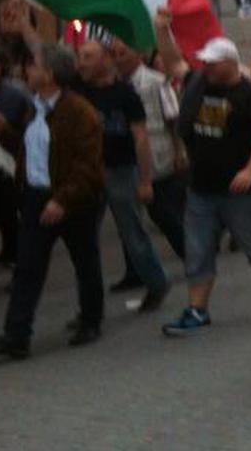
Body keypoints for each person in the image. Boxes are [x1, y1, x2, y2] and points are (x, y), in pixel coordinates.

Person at [156, 18, 251, 337]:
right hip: (202, 188)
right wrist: (162, 30)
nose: (204, 66)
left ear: (230, 64)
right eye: (204, 61)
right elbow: (173, 61)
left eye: (212, 62)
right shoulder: (197, 83)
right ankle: (197, 309)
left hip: (243, 192)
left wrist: (249, 170)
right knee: (198, 248)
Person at [0, 44, 106, 359]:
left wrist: (62, 201)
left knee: (85, 261)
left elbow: (88, 166)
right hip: (36, 196)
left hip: (72, 199)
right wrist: (3, 131)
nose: (27, 71)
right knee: (27, 267)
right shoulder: (34, 107)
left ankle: (91, 319)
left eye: (34, 66)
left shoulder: (79, 112)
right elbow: (29, 151)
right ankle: (16, 335)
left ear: (50, 74)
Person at [75, 39, 169, 311]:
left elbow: (141, 138)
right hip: (89, 171)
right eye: (81, 56)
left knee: (132, 232)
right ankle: (89, 307)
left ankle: (156, 282)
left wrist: (145, 180)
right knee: (83, 237)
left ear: (106, 59)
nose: (82, 62)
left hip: (121, 170)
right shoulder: (80, 91)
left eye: (88, 57)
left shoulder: (125, 95)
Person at [111, 40, 188, 269]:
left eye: (122, 53)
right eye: (113, 54)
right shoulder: (115, 84)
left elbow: (173, 119)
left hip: (157, 153)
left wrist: (179, 150)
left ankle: (190, 254)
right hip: (126, 155)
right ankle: (134, 269)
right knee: (127, 215)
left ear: (138, 55)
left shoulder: (155, 81)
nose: (117, 59)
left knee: (161, 212)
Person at [0, 45, 31, 267]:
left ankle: (15, 254)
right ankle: (11, 251)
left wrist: (3, 128)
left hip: (8, 162)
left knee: (5, 205)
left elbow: (25, 135)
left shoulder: (13, 96)